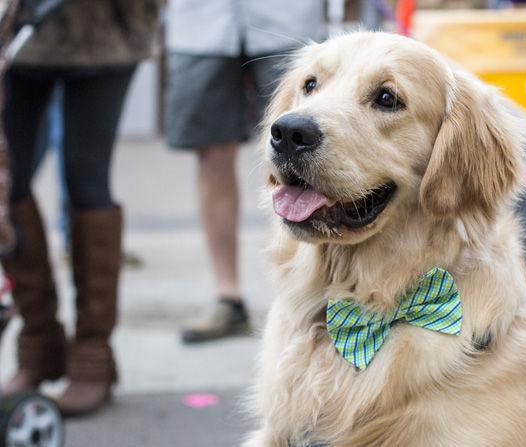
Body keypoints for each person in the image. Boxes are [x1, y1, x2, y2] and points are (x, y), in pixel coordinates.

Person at [1, 0, 158, 416]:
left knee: (85, 178)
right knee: (6, 180)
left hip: (107, 28)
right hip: (20, 26)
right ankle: (39, 342)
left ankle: (93, 353)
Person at [165, 1, 326, 343]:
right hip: (201, 24)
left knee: (303, 154)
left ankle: (301, 294)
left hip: (287, 19)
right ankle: (228, 295)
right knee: (210, 153)